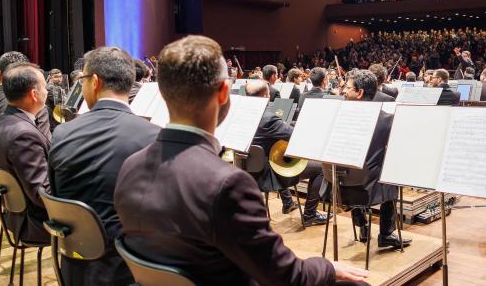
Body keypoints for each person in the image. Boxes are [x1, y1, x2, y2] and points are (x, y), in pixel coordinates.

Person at [114, 35, 368, 285]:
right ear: (224, 93)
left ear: (162, 93)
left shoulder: (130, 166)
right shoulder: (227, 184)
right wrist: (326, 266)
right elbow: (285, 277)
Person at [49, 47, 160, 286]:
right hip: (132, 268)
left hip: (76, 261)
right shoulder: (154, 136)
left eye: (83, 80)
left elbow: (56, 195)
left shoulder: (62, 132)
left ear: (95, 82)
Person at [341, 70, 411, 249]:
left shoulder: (338, 114)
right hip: (365, 187)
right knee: (392, 174)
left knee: (352, 168)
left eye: (347, 88)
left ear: (360, 93)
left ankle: (362, 223)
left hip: (335, 185)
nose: (343, 91)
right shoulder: (387, 119)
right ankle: (386, 234)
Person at [244, 80, 327, 226]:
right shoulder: (268, 118)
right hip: (267, 173)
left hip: (247, 167)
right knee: (320, 168)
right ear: (265, 95)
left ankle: (288, 201)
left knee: (278, 155)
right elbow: (295, 136)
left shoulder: (242, 114)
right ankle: (310, 214)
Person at [0, 63, 51, 244]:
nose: (47, 92)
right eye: (45, 87)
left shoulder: (4, 119)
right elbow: (42, 194)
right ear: (34, 94)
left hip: (18, 213)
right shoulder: (23, 134)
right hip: (36, 223)